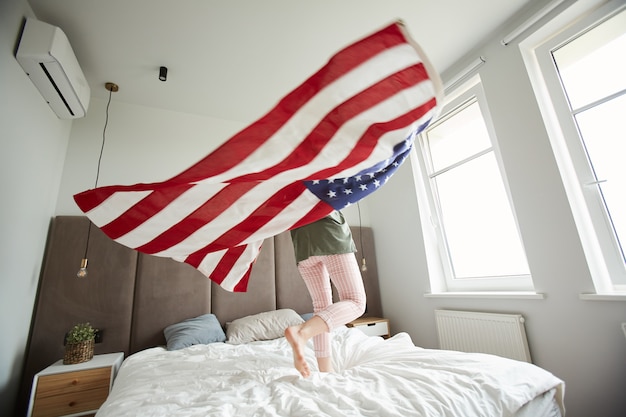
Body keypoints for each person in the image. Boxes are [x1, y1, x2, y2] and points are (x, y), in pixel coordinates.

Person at [284, 210, 366, 378]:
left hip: (302, 243)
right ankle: (302, 332)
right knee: (356, 302)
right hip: (330, 233)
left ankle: (325, 370)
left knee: (321, 307)